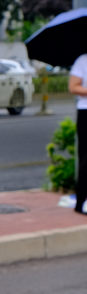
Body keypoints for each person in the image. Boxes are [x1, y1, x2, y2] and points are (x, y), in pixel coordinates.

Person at [69, 54, 87, 214]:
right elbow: (73, 86)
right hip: (86, 111)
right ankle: (82, 201)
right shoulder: (82, 60)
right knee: (86, 159)